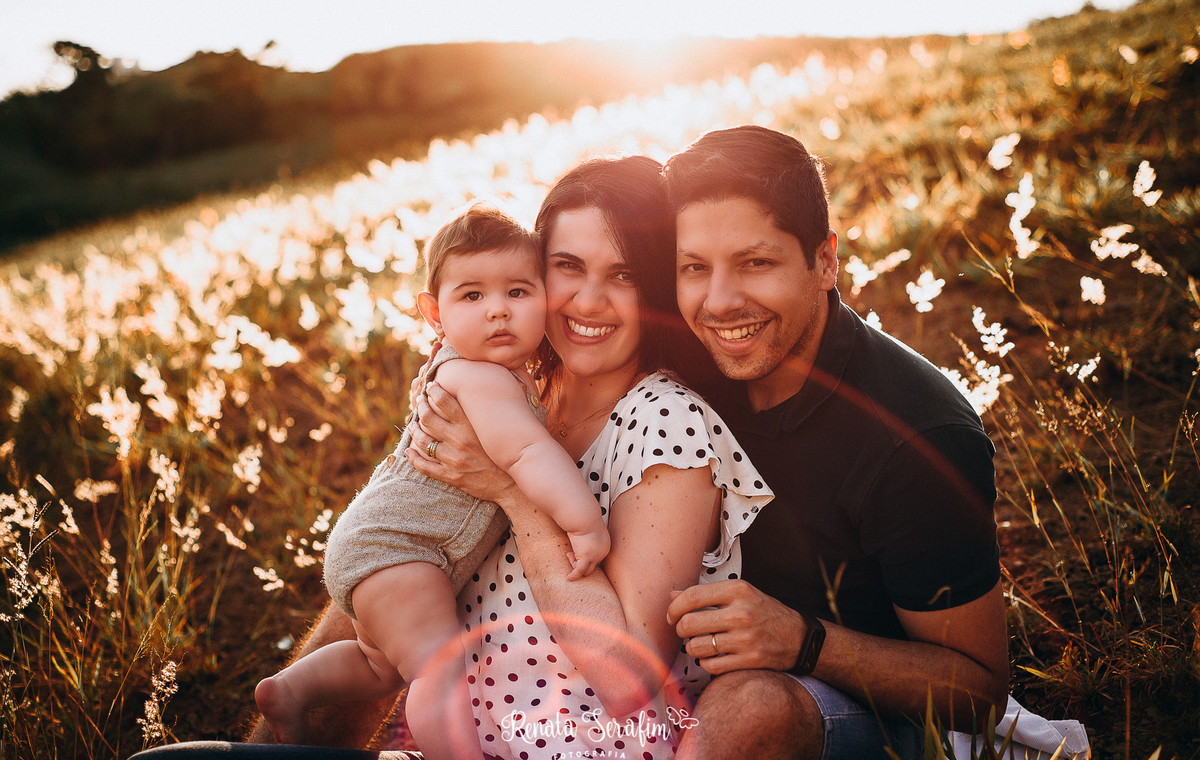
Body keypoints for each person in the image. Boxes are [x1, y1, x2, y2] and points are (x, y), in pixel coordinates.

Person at [248, 155, 773, 759]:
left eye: (623, 275)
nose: (590, 300)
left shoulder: (665, 421)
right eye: (567, 267)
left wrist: (514, 495)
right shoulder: (517, 390)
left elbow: (627, 678)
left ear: (652, 289)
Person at [661, 125, 1009, 759]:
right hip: (695, 674)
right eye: (695, 268)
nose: (719, 302)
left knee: (747, 714)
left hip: (866, 707)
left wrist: (803, 641)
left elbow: (981, 689)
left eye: (755, 262)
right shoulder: (694, 357)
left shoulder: (918, 436)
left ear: (825, 260)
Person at [254, 204, 611, 760]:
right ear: (433, 312)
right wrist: (584, 523)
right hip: (401, 551)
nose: (498, 312)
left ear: (545, 297)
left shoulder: (464, 365)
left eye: (518, 292)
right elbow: (527, 453)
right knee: (438, 672)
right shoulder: (481, 378)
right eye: (472, 296)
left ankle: (292, 688)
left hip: (383, 545)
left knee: (379, 665)